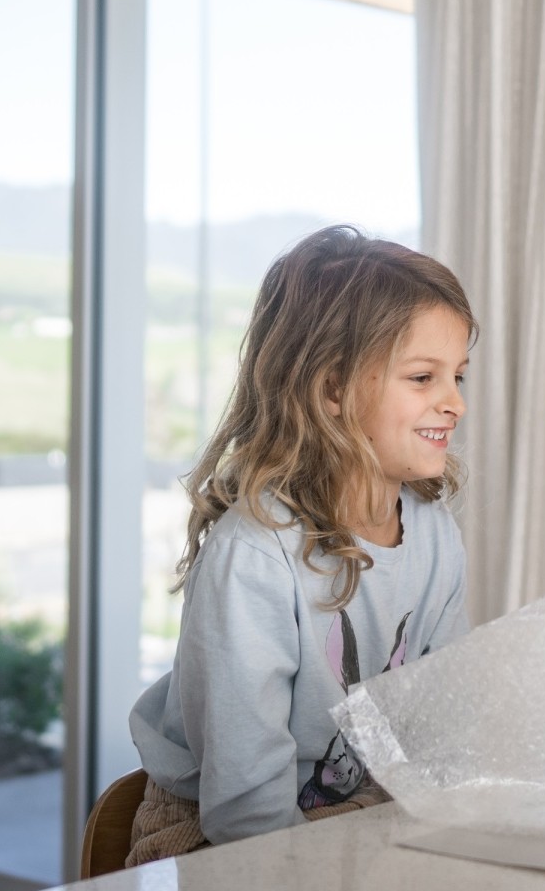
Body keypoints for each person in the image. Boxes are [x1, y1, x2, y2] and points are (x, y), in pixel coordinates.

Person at [125, 226, 475, 862]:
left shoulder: (436, 536)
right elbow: (243, 807)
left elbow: (440, 728)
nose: (454, 403)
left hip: (349, 813)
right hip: (211, 831)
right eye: (423, 378)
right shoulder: (254, 556)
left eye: (458, 377)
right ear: (332, 390)